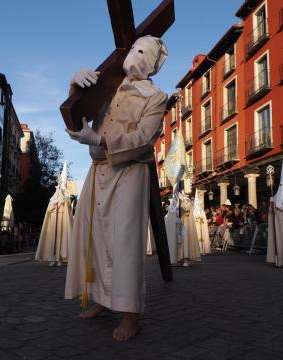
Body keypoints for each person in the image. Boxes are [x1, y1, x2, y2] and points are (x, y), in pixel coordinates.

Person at [64, 35, 169, 342]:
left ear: (154, 63)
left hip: (129, 173)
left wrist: (100, 141)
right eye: (134, 48)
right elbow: (75, 118)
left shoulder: (156, 97)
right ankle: (101, 299)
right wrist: (74, 86)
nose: (136, 55)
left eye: (144, 52)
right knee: (95, 237)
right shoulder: (110, 84)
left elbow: (145, 138)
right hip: (97, 173)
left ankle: (130, 314)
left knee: (125, 241)